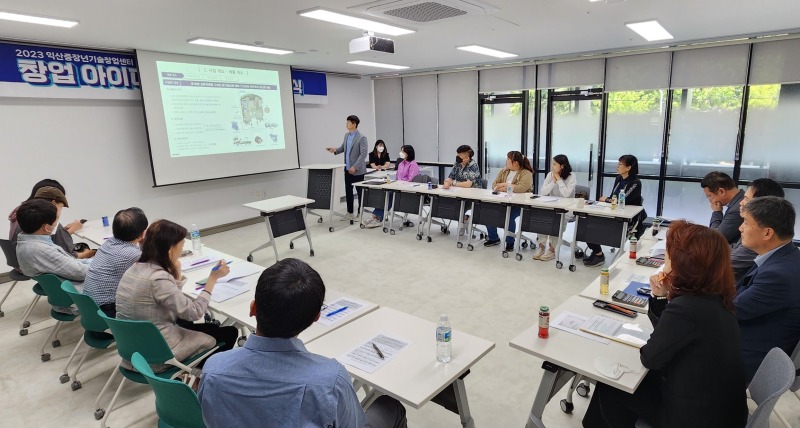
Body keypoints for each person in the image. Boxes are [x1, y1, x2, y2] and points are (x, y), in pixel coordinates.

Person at [198, 258, 407, 428]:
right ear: (316, 317)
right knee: (390, 406)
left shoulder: (214, 369)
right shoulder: (331, 380)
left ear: (253, 308)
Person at [583, 220, 747, 428]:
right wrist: (660, 297)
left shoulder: (687, 308)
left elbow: (651, 358)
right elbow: (671, 335)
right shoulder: (716, 296)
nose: (665, 261)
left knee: (611, 385)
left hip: (695, 417)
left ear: (683, 264)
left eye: (668, 256)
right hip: (721, 409)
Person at [115, 220, 238, 371]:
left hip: (133, 349)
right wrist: (212, 279)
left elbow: (169, 300)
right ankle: (201, 377)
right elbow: (194, 312)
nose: (182, 251)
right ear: (170, 251)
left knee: (207, 327)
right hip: (158, 355)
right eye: (181, 246)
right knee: (229, 333)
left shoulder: (135, 268)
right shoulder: (158, 278)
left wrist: (175, 272)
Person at [734, 196, 800, 383]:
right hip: (758, 337)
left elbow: (732, 310)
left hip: (749, 356)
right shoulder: (784, 257)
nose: (740, 228)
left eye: (746, 222)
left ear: (767, 233)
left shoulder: (779, 275)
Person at [15, 199, 91, 315]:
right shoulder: (39, 250)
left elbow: (71, 264)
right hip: (76, 298)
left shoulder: (25, 242)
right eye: (56, 220)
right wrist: (104, 263)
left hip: (66, 290)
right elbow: (81, 272)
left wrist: (95, 261)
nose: (57, 224)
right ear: (46, 228)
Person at [83, 208, 148, 317]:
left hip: (90, 306)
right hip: (108, 310)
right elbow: (155, 270)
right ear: (142, 234)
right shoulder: (132, 254)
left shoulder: (108, 243)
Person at [583, 155, 646, 267]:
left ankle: (598, 255)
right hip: (613, 212)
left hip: (628, 219)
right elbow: (614, 197)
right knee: (586, 222)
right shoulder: (618, 178)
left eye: (620, 164)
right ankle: (598, 253)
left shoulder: (635, 182)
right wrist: (610, 200)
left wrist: (606, 199)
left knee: (593, 226)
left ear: (628, 168)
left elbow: (622, 200)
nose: (617, 166)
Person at [9, 180, 93, 259]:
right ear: (54, 203)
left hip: (22, 260)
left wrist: (62, 231)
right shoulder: (44, 218)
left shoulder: (22, 212)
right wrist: (71, 230)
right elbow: (68, 256)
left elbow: (42, 235)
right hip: (38, 262)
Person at [730, 178, 784, 283]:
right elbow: (734, 248)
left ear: (760, 204)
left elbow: (726, 265)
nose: (741, 203)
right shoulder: (759, 226)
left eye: (746, 199)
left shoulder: (758, 235)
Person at [484, 151, 533, 250]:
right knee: (488, 212)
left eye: (508, 160)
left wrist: (505, 185)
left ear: (515, 162)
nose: (506, 161)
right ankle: (494, 238)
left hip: (519, 203)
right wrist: (507, 186)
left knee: (509, 216)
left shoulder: (526, 173)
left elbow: (521, 188)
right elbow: (494, 185)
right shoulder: (504, 171)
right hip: (502, 201)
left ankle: (510, 242)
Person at [533, 154, 576, 261]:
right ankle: (541, 247)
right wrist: (553, 181)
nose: (552, 166)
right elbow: (543, 192)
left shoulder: (572, 176)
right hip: (551, 205)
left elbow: (566, 194)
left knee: (558, 220)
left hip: (566, 208)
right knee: (542, 218)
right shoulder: (550, 175)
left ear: (562, 166)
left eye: (555, 164)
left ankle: (552, 250)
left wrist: (559, 180)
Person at [326, 115, 369, 221]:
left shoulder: (362, 137)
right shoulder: (346, 135)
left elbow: (363, 154)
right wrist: (335, 150)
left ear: (354, 124)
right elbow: (343, 148)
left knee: (360, 193)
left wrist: (355, 166)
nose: (346, 124)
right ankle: (350, 212)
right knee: (348, 192)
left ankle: (360, 213)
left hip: (358, 171)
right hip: (347, 169)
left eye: (348, 122)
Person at [368, 145, 419, 228]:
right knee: (386, 193)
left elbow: (411, 180)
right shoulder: (401, 164)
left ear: (408, 153)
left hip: (408, 190)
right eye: (401, 151)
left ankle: (376, 217)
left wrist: (399, 184)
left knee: (390, 195)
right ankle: (376, 216)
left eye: (403, 152)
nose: (401, 153)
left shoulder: (413, 164)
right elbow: (397, 177)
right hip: (398, 187)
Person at [701, 171, 745, 245]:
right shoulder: (740, 199)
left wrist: (717, 212)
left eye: (709, 196)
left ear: (721, 191)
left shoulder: (738, 209)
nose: (710, 200)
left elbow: (715, 238)